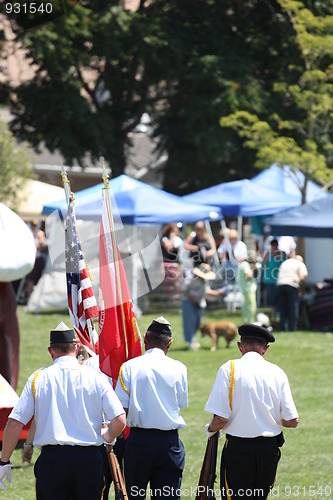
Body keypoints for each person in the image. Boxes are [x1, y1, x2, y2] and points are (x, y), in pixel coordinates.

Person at [0, 322, 126, 497]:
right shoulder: (96, 378)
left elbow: (14, 423)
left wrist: (4, 461)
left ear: (51, 351)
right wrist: (108, 437)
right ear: (76, 348)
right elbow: (120, 420)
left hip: (52, 462)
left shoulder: (38, 378)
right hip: (89, 461)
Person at [205, 323, 299, 499]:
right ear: (265, 349)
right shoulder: (277, 372)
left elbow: (220, 420)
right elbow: (292, 421)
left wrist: (210, 430)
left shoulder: (229, 369)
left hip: (238, 449)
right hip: (268, 450)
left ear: (240, 346)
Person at [115, 317, 188, 500]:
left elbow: (120, 409)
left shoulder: (129, 367)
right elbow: (180, 402)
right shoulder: (179, 368)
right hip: (169, 443)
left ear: (145, 339)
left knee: (134, 496)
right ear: (169, 343)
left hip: (139, 442)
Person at [181, 263, 224, 350]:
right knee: (190, 322)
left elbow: (205, 290)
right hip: (189, 303)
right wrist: (192, 298)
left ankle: (193, 340)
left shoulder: (205, 281)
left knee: (198, 323)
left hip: (199, 303)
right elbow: (184, 290)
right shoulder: (191, 279)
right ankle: (191, 342)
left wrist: (215, 293)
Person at [277, 250, 308, 331]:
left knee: (283, 308)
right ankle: (292, 327)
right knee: (293, 307)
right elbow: (302, 277)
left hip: (280, 284)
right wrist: (301, 290)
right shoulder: (300, 264)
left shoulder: (285, 262)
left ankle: (282, 327)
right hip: (292, 285)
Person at [261, 239, 286, 322]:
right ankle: (274, 318)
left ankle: (282, 319)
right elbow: (263, 265)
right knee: (272, 301)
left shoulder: (283, 254)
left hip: (281, 281)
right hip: (270, 281)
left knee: (281, 301)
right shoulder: (267, 254)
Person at [238, 251, 258, 323]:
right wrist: (253, 268)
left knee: (246, 306)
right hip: (249, 289)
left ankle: (246, 322)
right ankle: (251, 322)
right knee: (251, 306)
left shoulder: (243, 264)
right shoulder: (245, 264)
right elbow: (248, 276)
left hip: (246, 289)